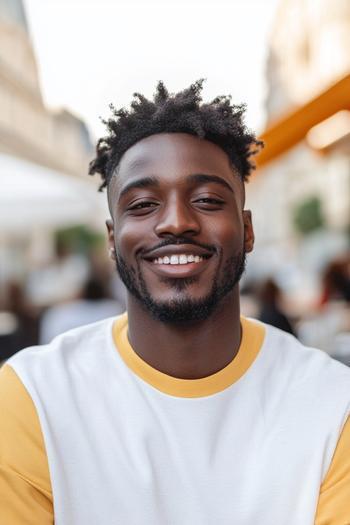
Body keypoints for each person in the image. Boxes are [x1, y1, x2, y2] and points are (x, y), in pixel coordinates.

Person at [1, 81, 349, 524]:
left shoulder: (334, 404)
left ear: (246, 230)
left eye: (206, 200)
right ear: (113, 240)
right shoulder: (32, 398)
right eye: (143, 204)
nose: (176, 222)